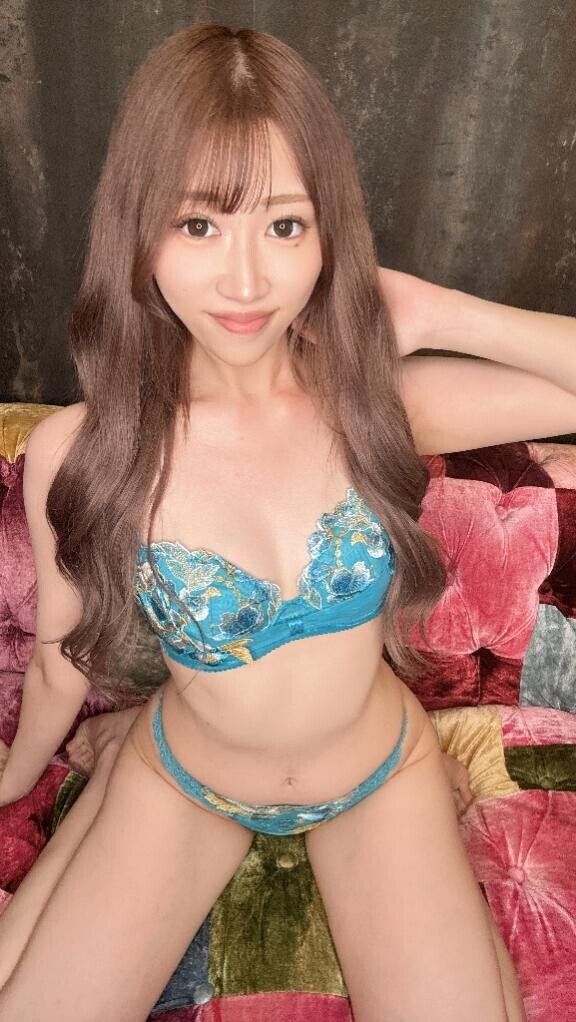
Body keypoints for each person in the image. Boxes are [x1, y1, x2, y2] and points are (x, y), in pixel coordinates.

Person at [1, 21, 574, 1020]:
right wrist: (12, 782)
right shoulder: (82, 449)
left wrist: (435, 310)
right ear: (138, 233)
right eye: (198, 225)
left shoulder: (371, 403)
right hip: (187, 776)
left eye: (284, 225)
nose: (246, 282)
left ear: (327, 234)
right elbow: (58, 662)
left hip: (378, 770)